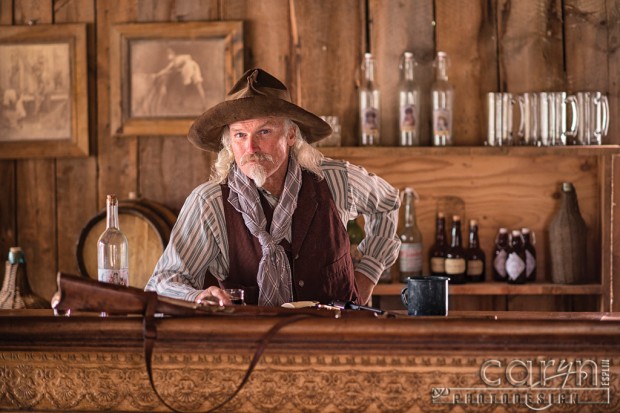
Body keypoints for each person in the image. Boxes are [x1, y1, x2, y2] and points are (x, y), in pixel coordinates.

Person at [145, 68, 400, 307]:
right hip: (251, 349)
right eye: (240, 135)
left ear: (290, 135)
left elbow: (387, 203)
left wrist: (368, 273)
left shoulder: (335, 181)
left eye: (264, 132)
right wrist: (198, 295)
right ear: (229, 143)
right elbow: (162, 282)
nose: (251, 148)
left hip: (337, 345)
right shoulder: (209, 203)